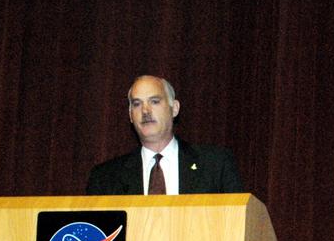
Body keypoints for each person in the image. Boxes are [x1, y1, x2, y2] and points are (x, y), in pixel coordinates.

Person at [86, 75, 244, 195]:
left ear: (174, 108)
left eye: (154, 101)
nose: (145, 111)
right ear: (130, 115)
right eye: (137, 104)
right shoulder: (105, 177)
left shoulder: (215, 165)